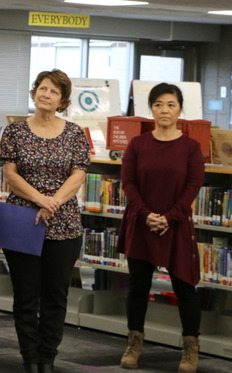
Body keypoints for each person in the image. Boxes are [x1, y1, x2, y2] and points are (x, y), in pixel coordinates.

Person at [0, 69, 90, 373]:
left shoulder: (75, 132)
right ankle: (29, 357)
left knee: (55, 294)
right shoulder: (14, 131)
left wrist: (54, 202)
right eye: (41, 88)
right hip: (24, 220)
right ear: (34, 92)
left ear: (62, 99)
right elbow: (10, 174)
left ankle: (47, 357)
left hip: (65, 225)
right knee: (25, 295)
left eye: (53, 91)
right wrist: (41, 200)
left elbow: (78, 174)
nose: (45, 94)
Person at [116, 83, 204, 373]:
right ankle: (134, 343)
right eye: (158, 104)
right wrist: (146, 215)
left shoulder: (191, 147)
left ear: (180, 109)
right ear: (150, 109)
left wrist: (170, 217)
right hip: (142, 224)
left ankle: (190, 348)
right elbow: (128, 183)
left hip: (176, 226)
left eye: (170, 104)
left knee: (185, 287)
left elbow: (193, 186)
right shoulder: (137, 145)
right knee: (138, 288)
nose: (164, 110)